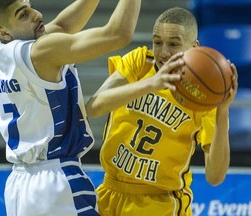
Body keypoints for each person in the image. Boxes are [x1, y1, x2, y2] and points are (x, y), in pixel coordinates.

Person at [0, 0, 141, 215]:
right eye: (23, 14)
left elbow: (64, 27)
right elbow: (118, 34)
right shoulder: (41, 52)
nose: (36, 14)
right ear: (4, 32)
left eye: (30, 6)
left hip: (19, 185)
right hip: (56, 184)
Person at [86, 7, 238, 216]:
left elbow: (215, 177)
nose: (163, 52)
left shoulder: (204, 98)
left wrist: (222, 110)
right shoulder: (140, 62)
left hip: (160, 203)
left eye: (174, 44)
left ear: (194, 47)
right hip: (108, 193)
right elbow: (93, 107)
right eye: (157, 42)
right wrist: (152, 84)